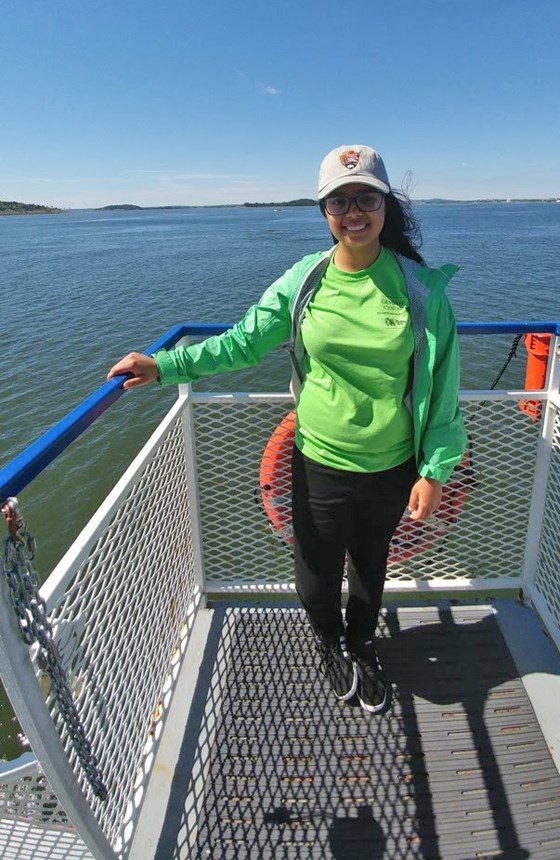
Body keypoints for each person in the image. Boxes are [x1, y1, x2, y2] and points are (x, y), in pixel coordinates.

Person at [107, 144, 466, 715]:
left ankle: (361, 643)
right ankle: (328, 640)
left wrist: (435, 469)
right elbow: (244, 341)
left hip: (392, 465)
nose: (354, 211)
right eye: (339, 200)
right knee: (316, 576)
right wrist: (165, 366)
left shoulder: (421, 291)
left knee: (371, 569)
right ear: (324, 211)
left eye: (366, 197)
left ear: (385, 205)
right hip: (318, 459)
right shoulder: (306, 281)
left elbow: (443, 390)